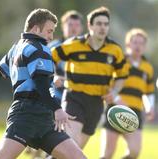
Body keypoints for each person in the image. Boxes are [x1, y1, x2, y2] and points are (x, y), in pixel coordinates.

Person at [0, 8, 86, 159]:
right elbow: (41, 84)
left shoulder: (16, 48)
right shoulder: (39, 48)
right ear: (36, 28)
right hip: (27, 115)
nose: (51, 36)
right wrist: (57, 109)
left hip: (43, 118)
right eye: (49, 31)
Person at [51, 6, 129, 149]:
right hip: (74, 98)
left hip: (97, 103)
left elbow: (122, 75)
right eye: (99, 24)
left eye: (106, 24)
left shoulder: (115, 50)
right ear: (89, 25)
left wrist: (115, 91)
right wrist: (54, 75)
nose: (102, 28)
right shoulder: (73, 44)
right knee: (71, 146)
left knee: (76, 150)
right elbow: (49, 58)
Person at [100, 28, 155, 159]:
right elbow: (105, 83)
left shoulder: (148, 67)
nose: (138, 46)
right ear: (128, 44)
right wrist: (117, 98)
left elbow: (149, 92)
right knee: (108, 153)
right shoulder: (120, 61)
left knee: (135, 151)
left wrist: (150, 107)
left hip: (135, 113)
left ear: (145, 46)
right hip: (115, 109)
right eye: (135, 42)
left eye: (141, 43)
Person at [49, 10, 83, 104]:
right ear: (63, 27)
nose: (73, 28)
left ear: (81, 28)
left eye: (77, 25)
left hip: (80, 99)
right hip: (57, 97)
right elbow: (44, 68)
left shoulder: (88, 49)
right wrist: (54, 77)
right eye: (70, 25)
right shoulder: (53, 47)